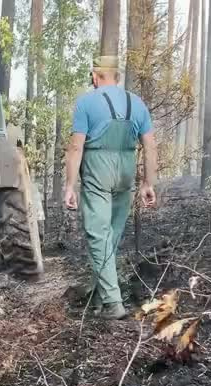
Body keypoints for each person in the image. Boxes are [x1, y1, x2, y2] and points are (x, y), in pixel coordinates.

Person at [63, 55, 158, 320]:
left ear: (95, 76)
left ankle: (114, 303)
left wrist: (70, 185)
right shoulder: (137, 103)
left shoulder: (86, 102)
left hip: (97, 168)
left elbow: (75, 147)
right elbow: (150, 146)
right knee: (110, 238)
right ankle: (97, 295)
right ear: (116, 76)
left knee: (98, 235)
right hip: (126, 169)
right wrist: (148, 182)